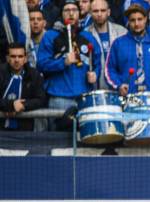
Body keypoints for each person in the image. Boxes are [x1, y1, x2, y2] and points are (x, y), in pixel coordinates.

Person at [37, 0, 100, 130]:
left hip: (84, 97)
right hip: (59, 98)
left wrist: (95, 74)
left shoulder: (88, 36)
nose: (71, 14)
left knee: (84, 140)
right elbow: (41, 65)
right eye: (67, 10)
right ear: (61, 14)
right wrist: (63, 62)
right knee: (58, 143)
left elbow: (97, 62)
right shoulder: (50, 36)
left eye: (74, 10)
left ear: (79, 13)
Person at [105, 3, 150, 96]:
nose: (136, 24)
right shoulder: (118, 44)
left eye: (140, 19)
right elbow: (109, 69)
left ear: (145, 19)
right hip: (128, 97)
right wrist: (119, 85)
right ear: (128, 21)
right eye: (133, 20)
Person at [0, 43, 46, 131]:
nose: (16, 60)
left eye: (20, 56)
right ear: (7, 58)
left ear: (25, 59)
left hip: (24, 129)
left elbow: (41, 99)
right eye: (13, 56)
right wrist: (11, 105)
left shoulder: (34, 75)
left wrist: (23, 105)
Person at [86, 0, 126, 90]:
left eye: (103, 10)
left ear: (109, 12)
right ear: (90, 13)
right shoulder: (84, 35)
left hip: (119, 89)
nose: (99, 14)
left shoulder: (122, 32)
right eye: (95, 11)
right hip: (94, 90)